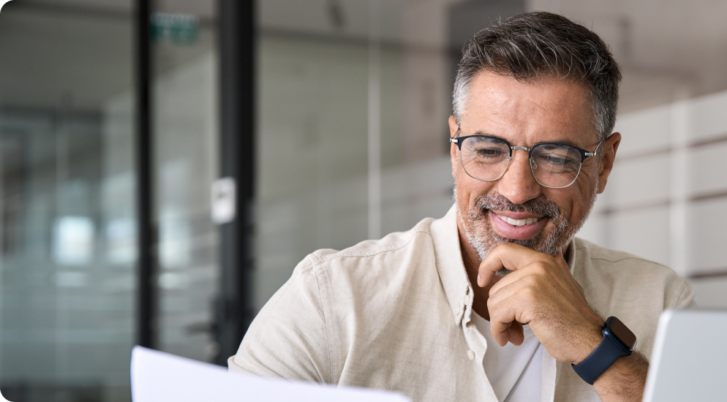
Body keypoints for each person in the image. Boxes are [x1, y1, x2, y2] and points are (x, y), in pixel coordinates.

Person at [228, 11, 694, 402]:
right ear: (454, 151)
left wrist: (596, 347)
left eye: (554, 157)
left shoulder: (659, 303)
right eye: (488, 150)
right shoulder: (331, 301)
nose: (515, 191)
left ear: (605, 164)